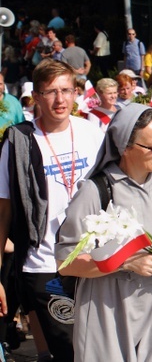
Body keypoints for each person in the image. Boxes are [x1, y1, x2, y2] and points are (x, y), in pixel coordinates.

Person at [55, 104, 152, 360]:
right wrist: (126, 263)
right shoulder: (96, 190)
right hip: (109, 306)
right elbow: (66, 262)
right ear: (125, 147)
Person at [0, 60, 105, 361]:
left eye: (65, 91)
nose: (59, 100)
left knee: (97, 342)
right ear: (36, 97)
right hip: (45, 261)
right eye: (50, 92)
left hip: (90, 256)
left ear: (75, 93)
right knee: (69, 346)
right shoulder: (18, 141)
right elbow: (3, 211)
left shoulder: (91, 132)